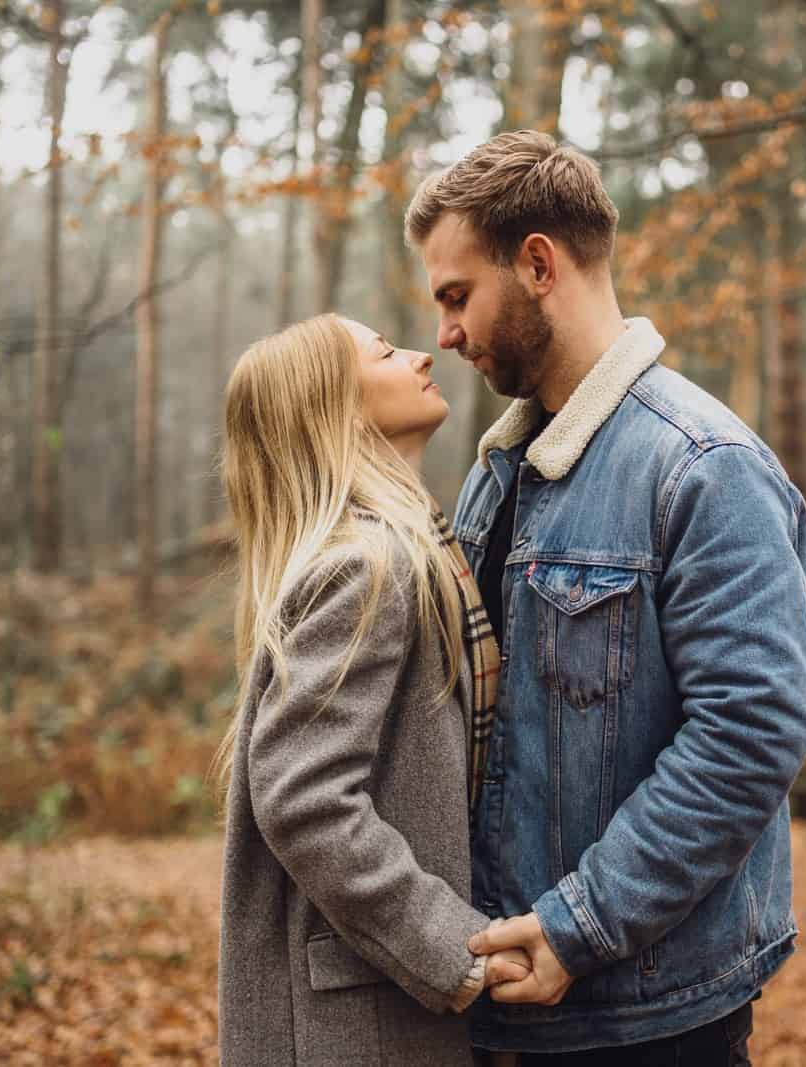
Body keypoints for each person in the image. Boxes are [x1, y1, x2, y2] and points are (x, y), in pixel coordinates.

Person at [403, 130, 806, 1065]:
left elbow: (750, 733)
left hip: (651, 1021)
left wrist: (574, 926)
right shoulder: (495, 478)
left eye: (457, 295)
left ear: (538, 263)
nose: (446, 334)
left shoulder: (705, 469)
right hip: (503, 1013)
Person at [216, 314, 528, 1067]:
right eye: (386, 351)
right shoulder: (367, 565)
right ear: (340, 409)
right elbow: (304, 796)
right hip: (357, 1026)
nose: (424, 353)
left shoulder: (397, 546)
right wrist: (457, 947)